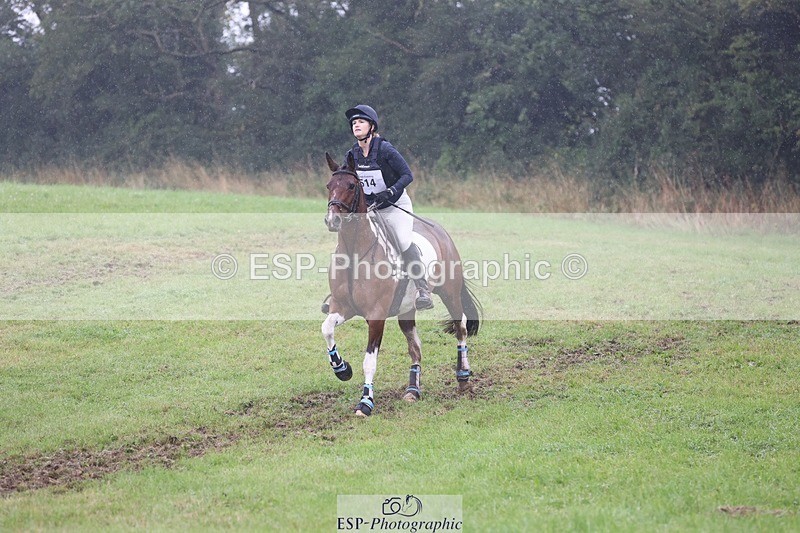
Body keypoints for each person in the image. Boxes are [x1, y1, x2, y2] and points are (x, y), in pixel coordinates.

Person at [342, 104, 433, 310]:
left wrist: (391, 191)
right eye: (354, 123)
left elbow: (407, 175)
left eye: (361, 122)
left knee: (401, 240)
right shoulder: (353, 154)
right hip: (370, 208)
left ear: (372, 126)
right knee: (351, 240)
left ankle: (422, 288)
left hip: (394, 205)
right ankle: (340, 292)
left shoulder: (385, 149)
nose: (356, 125)